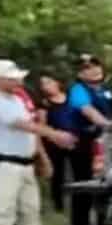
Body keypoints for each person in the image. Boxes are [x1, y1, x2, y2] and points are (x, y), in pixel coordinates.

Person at [0, 59, 74, 225]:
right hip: (5, 163)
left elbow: (30, 129)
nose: (17, 82)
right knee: (5, 209)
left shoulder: (17, 100)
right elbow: (21, 124)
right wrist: (54, 134)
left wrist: (41, 157)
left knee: (30, 207)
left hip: (25, 163)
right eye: (12, 79)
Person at [68, 54, 112, 225]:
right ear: (80, 73)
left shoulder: (104, 90)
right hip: (85, 143)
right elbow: (89, 112)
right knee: (84, 187)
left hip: (106, 142)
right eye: (87, 68)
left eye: (96, 65)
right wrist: (108, 125)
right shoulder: (79, 90)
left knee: (107, 186)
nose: (94, 70)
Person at [38, 73, 77, 212]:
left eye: (49, 82)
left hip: (74, 139)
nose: (47, 86)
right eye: (43, 84)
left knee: (77, 171)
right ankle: (58, 205)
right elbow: (41, 125)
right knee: (57, 174)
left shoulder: (71, 99)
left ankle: (78, 201)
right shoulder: (44, 104)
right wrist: (53, 137)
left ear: (57, 82)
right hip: (54, 143)